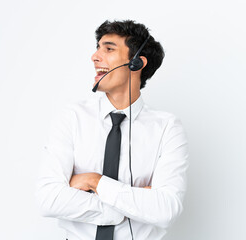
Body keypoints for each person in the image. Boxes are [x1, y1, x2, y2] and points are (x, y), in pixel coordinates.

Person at [36, 19, 189, 240]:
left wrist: (94, 182)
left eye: (108, 49)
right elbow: (48, 200)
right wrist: (133, 207)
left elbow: (166, 210)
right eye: (98, 48)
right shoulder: (72, 117)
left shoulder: (167, 128)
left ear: (137, 63)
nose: (95, 56)